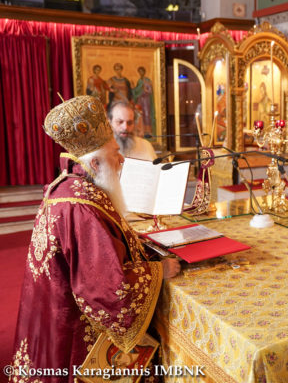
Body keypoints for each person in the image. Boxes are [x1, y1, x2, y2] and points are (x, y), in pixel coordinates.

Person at [10, 95, 180, 383]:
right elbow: (106, 288)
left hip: (52, 318)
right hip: (75, 336)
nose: (122, 159)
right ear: (97, 163)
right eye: (116, 153)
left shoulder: (69, 186)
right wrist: (158, 271)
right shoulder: (81, 206)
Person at [132, 66, 155, 136]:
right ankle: (141, 131)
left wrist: (145, 90)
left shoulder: (147, 80)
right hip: (140, 100)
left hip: (146, 100)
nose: (140, 73)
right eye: (139, 72)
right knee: (140, 114)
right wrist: (133, 88)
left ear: (144, 72)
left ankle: (148, 131)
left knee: (146, 114)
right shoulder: (139, 81)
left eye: (142, 71)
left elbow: (150, 91)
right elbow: (136, 91)